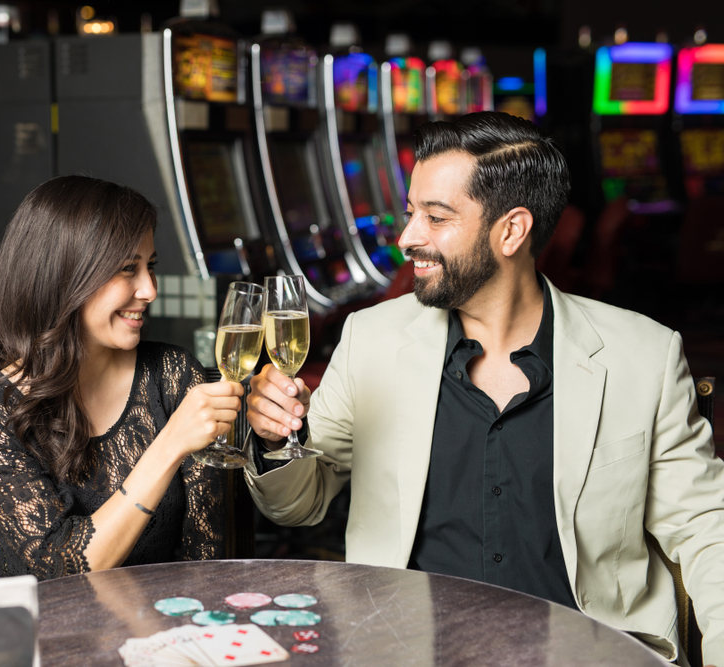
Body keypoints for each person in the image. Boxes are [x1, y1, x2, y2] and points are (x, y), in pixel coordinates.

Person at [243, 112, 724, 665]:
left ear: (512, 230)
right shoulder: (372, 339)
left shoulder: (644, 354)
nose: (407, 238)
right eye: (410, 214)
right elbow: (297, 505)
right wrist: (277, 438)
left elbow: (705, 529)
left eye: (436, 217)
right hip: (408, 649)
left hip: (587, 652)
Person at [0, 175, 243, 579]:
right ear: (64, 277)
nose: (149, 290)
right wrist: (168, 446)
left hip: (163, 629)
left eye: (150, 266)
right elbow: (60, 566)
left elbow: (204, 556)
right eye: (128, 268)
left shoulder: (174, 375)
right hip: (51, 632)